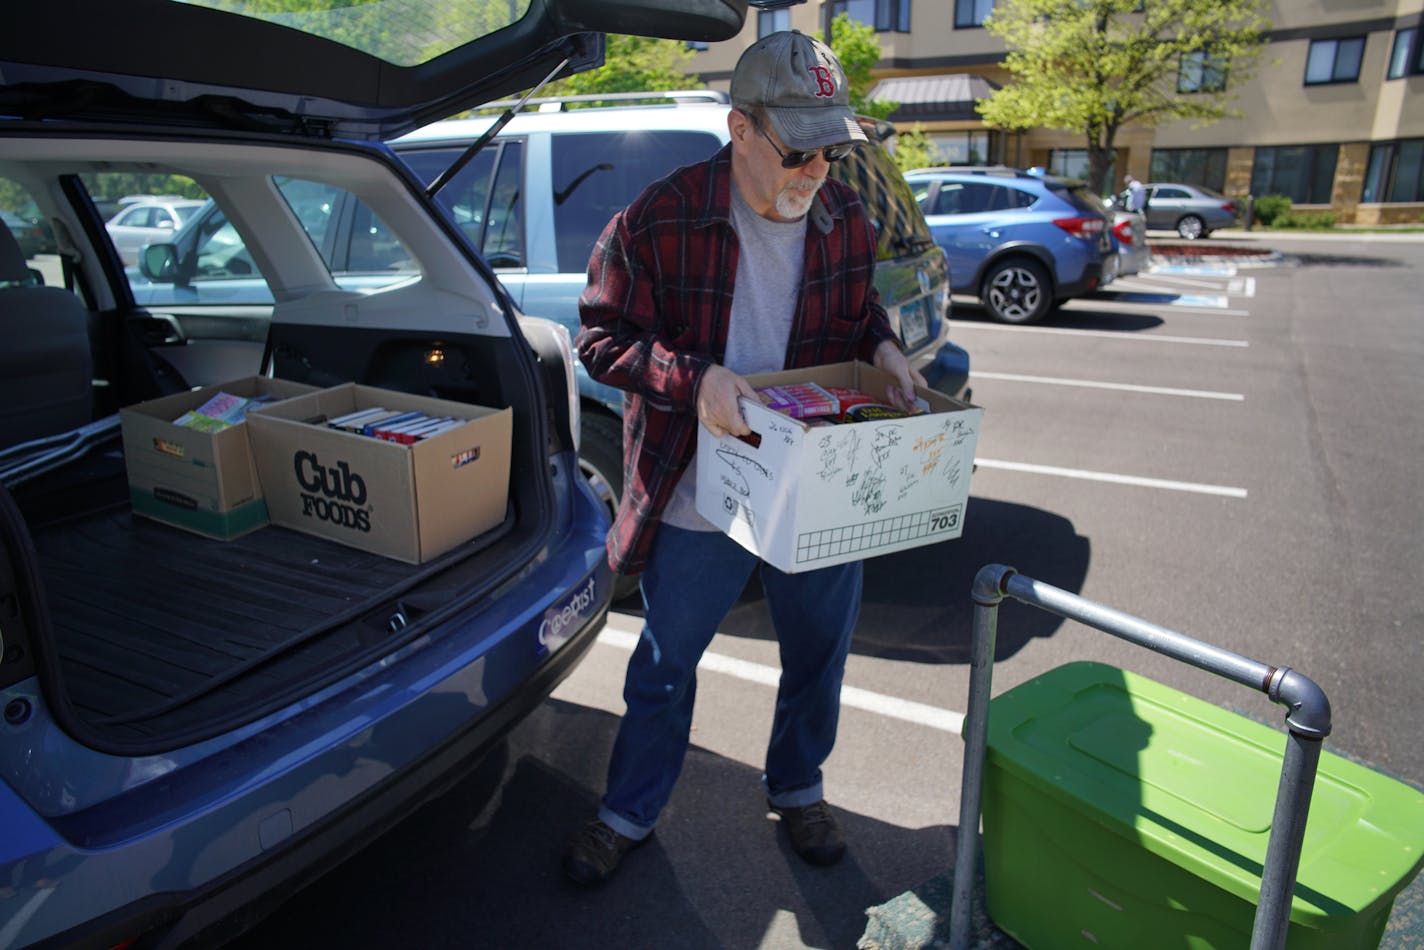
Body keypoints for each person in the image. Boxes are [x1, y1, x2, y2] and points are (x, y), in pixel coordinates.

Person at [564, 29, 925, 886]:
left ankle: (798, 787)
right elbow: (600, 339)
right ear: (741, 128)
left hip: (812, 483)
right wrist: (693, 380)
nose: (816, 172)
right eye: (800, 150)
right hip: (700, 485)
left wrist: (884, 348)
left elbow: (860, 310)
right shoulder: (660, 216)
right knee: (664, 661)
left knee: (818, 653)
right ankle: (629, 810)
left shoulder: (843, 218)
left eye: (831, 150)